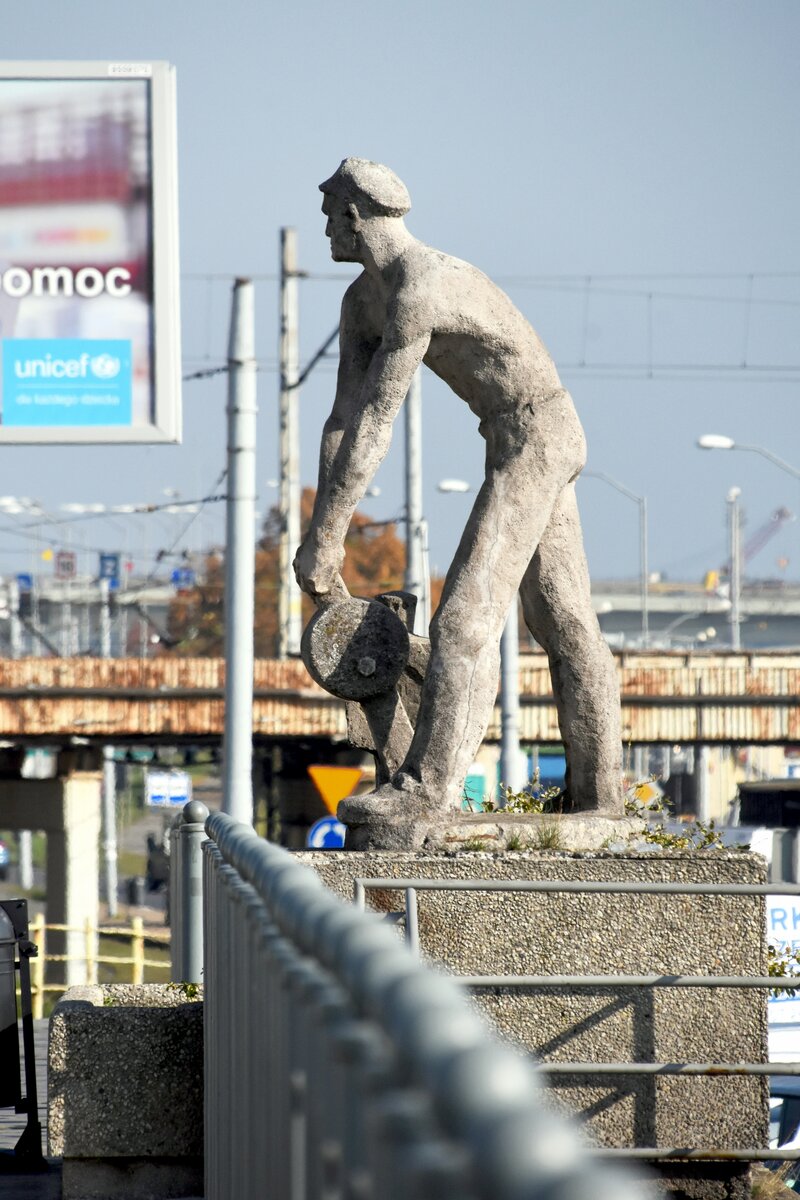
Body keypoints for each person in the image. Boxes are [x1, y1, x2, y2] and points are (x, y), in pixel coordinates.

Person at [294, 158, 622, 847]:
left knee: (463, 621)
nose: (324, 230)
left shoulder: (422, 287)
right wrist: (321, 531)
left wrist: (329, 538)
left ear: (355, 215)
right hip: (510, 439)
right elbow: (340, 420)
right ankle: (601, 796)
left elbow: (379, 417)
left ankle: (427, 792)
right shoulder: (360, 304)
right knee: (561, 618)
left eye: (329, 216)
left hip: (540, 435)